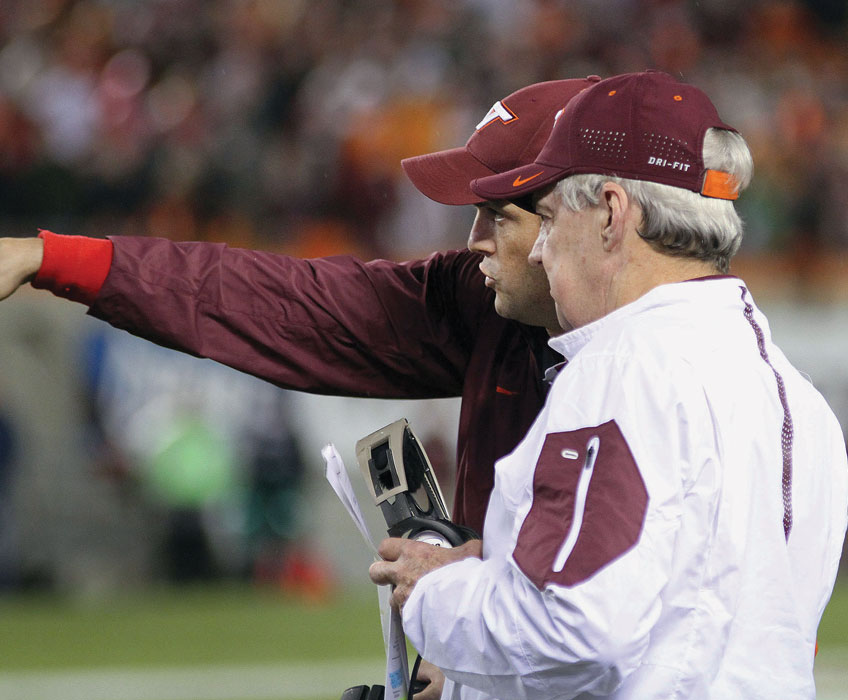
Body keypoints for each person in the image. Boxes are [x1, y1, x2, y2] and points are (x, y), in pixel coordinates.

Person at [0, 75, 599, 696]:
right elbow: (289, 304)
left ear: (598, 215)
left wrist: (474, 586)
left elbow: (625, 606)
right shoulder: (488, 304)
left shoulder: (674, 364)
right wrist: (53, 259)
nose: (473, 241)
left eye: (498, 215)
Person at [370, 70, 848, 699]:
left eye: (546, 218)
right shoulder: (797, 397)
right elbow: (682, 629)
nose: (540, 251)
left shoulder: (622, 366)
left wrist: (436, 592)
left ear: (610, 213)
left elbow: (576, 634)